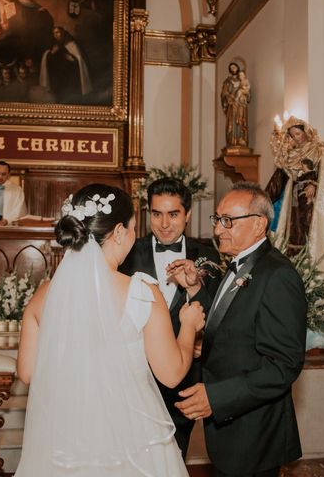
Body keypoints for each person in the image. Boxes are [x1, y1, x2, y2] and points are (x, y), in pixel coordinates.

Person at [15, 183, 205, 476]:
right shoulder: (141, 292)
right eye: (131, 228)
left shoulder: (43, 296)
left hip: (67, 434)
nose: (132, 235)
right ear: (118, 232)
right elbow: (171, 374)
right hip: (133, 436)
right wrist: (189, 326)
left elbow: (28, 373)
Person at [176, 182, 307, 477]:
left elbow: (283, 366)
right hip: (232, 432)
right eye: (217, 220)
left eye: (228, 221)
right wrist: (196, 288)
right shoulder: (239, 264)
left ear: (259, 224)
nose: (219, 229)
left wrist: (217, 397)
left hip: (254, 433)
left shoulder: (278, 275)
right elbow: (228, 320)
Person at [119, 177, 221, 459]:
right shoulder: (124, 254)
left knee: (174, 459)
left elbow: (218, 317)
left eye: (173, 214)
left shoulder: (209, 257)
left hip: (184, 382)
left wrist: (201, 337)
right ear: (148, 213)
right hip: (133, 379)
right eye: (157, 214)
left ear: (187, 215)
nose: (164, 224)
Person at [267, 115, 324, 306]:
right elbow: (279, 181)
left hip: (313, 204)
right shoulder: (290, 156)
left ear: (305, 132)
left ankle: (314, 275)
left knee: (311, 233)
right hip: (294, 202)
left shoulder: (319, 151)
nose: (296, 138)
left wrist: (314, 184)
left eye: (298, 133)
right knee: (294, 235)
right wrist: (263, 199)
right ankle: (294, 274)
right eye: (293, 135)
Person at [39, 26, 92, 103]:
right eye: (54, 33)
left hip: (71, 77)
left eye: (57, 32)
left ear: (62, 32)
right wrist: (51, 54)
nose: (55, 35)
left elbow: (80, 60)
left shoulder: (71, 43)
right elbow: (50, 59)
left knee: (70, 96)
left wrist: (72, 58)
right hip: (59, 77)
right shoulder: (55, 44)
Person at [221, 61, 250, 149]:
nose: (233, 69)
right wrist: (230, 98)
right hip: (232, 106)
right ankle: (232, 141)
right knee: (231, 123)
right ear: (230, 70)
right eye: (231, 68)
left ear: (238, 68)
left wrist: (244, 94)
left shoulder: (243, 80)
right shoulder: (227, 81)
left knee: (241, 122)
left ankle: (241, 139)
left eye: (235, 67)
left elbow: (248, 94)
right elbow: (224, 94)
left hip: (241, 106)